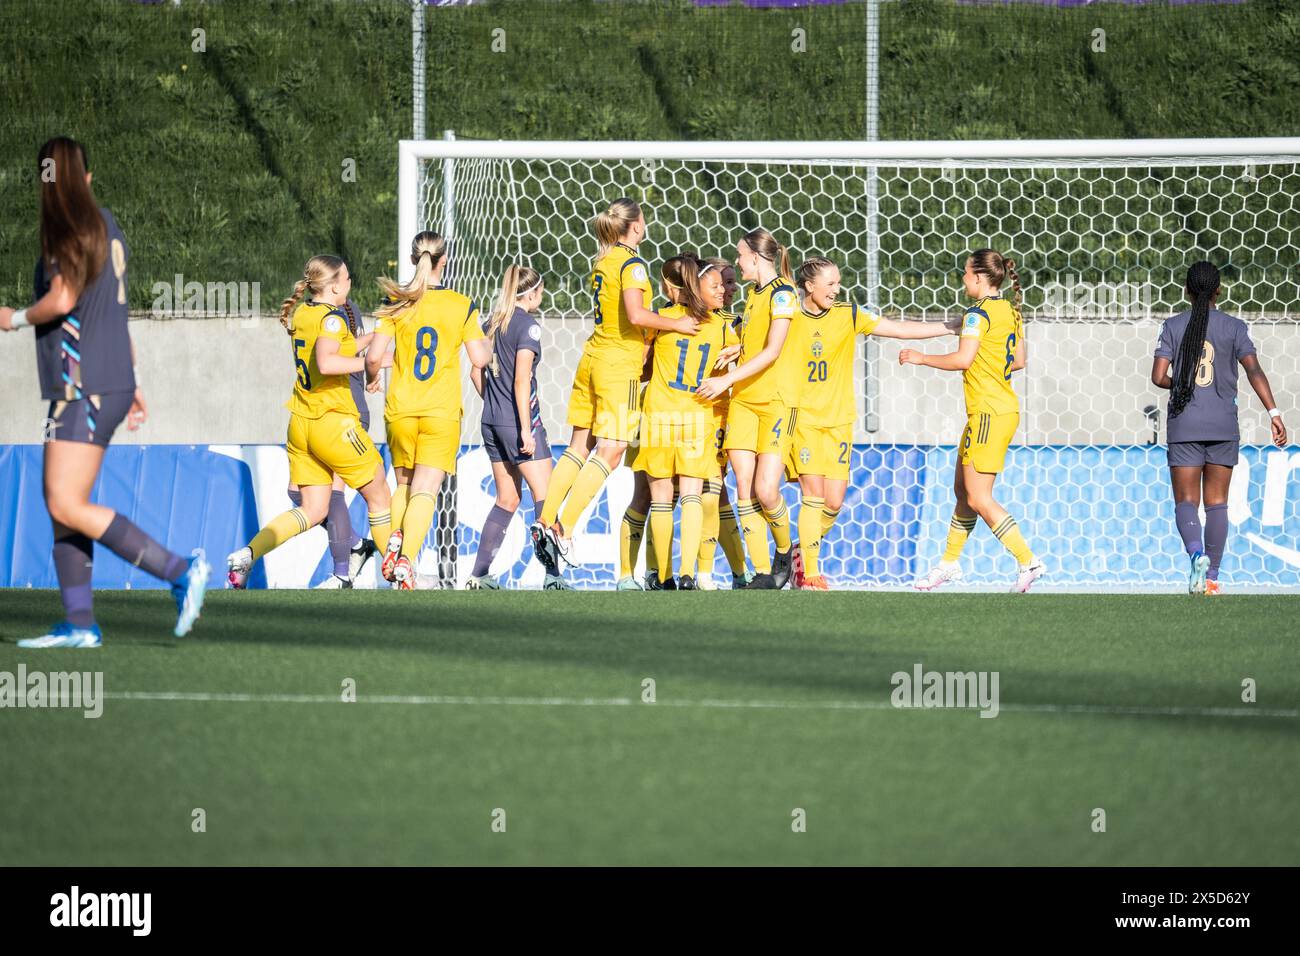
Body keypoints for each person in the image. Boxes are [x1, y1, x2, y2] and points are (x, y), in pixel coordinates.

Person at [0, 137, 209, 646]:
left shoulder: (67, 227)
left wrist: (14, 319)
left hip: (83, 387)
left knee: (65, 503)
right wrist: (130, 380)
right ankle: (77, 623)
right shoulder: (105, 224)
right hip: (99, 381)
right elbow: (110, 311)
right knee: (63, 502)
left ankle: (179, 570)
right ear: (85, 179)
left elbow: (65, 298)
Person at [533, 198, 699, 574]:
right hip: (616, 364)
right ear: (636, 226)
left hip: (591, 357)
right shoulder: (632, 264)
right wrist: (676, 325)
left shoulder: (602, 262)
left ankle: (544, 521)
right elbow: (637, 314)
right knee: (612, 450)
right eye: (643, 220)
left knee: (579, 445)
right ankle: (564, 529)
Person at [227, 256, 392, 588]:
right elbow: (327, 361)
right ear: (333, 286)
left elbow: (337, 346)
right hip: (332, 423)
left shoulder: (304, 313)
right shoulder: (332, 320)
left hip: (301, 422)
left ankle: (247, 555)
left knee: (313, 509)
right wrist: (371, 363)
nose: (349, 284)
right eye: (346, 279)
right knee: (380, 496)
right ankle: (400, 576)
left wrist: (375, 338)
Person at [786, 257, 949, 589]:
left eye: (838, 283)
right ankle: (810, 575)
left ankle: (798, 551)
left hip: (839, 421)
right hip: (802, 420)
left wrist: (949, 326)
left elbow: (898, 328)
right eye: (830, 284)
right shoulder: (787, 316)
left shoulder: (849, 314)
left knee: (833, 501)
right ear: (809, 286)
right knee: (813, 496)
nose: (836, 289)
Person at [902, 249, 1045, 593]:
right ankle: (948, 565)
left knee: (980, 497)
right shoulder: (1010, 310)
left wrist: (922, 358)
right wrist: (990, 364)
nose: (963, 278)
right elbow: (1019, 359)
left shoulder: (977, 313)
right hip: (995, 410)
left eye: (966, 273)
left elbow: (964, 359)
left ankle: (1028, 561)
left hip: (989, 413)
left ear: (980, 277)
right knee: (963, 493)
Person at [1152, 259, 1287, 594]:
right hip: (1223, 425)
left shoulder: (1173, 325)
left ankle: (1195, 553)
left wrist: (1183, 385)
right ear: (1218, 290)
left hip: (1184, 424)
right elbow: (1254, 371)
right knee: (1216, 504)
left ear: (1186, 289)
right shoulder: (1234, 327)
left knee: (1185, 501)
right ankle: (1212, 578)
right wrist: (1274, 413)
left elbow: (1157, 377)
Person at [366, 231, 491, 590]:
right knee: (426, 489)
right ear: (444, 260)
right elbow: (480, 358)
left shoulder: (395, 301)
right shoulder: (460, 304)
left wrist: (373, 378)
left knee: (404, 484)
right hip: (440, 411)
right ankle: (406, 559)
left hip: (401, 410)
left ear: (411, 259)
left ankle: (393, 544)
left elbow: (374, 356)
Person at [696, 228, 802, 589]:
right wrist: (737, 347)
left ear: (756, 258)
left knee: (766, 491)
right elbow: (755, 340)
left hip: (775, 402)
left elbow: (773, 350)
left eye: (740, 256)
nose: (737, 262)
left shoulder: (784, 294)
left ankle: (785, 552)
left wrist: (725, 380)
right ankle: (762, 574)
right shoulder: (754, 297)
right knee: (744, 486)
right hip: (744, 400)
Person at [467, 264, 568, 589]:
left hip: (491, 422)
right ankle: (553, 578)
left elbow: (475, 373)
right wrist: (524, 429)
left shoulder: (490, 323)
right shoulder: (528, 326)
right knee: (546, 498)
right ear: (534, 292)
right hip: (519, 423)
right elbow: (522, 379)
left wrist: (495, 406)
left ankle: (478, 575)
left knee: (507, 499)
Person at [641, 257, 737, 589]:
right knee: (693, 496)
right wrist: (736, 349)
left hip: (659, 415)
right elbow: (741, 352)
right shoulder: (720, 326)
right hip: (697, 416)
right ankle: (687, 574)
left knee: (661, 499)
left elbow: (641, 365)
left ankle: (664, 575)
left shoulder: (661, 320)